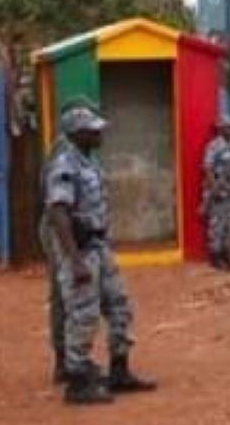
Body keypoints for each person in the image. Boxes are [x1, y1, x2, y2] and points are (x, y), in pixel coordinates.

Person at [39, 100, 156, 405]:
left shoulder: (88, 161)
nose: (99, 134)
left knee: (119, 305)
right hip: (80, 250)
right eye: (93, 131)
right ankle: (77, 381)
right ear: (78, 133)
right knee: (83, 313)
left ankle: (119, 370)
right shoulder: (65, 164)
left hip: (100, 246)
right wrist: (75, 260)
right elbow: (58, 213)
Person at [202, 119, 230, 271]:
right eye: (229, 128)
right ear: (222, 129)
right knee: (217, 225)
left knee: (229, 225)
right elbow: (208, 169)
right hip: (218, 192)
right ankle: (215, 256)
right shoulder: (214, 146)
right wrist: (215, 190)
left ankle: (226, 254)